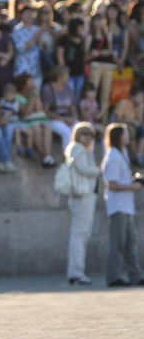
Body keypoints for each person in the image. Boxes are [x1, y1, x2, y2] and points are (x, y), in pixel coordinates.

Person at [100, 122, 144, 287]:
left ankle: (136, 275)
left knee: (131, 243)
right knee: (117, 244)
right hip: (118, 206)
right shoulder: (113, 157)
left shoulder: (122, 153)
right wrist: (134, 187)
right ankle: (113, 277)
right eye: (125, 133)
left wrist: (134, 180)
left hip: (126, 206)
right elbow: (111, 184)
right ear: (118, 136)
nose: (128, 136)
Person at [63, 122, 100, 286]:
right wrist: (99, 170)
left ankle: (77, 272)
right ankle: (76, 273)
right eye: (84, 134)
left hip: (85, 196)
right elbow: (84, 169)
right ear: (77, 135)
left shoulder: (80, 149)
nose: (88, 138)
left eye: (91, 135)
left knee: (82, 234)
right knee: (80, 234)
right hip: (82, 196)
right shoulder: (77, 148)